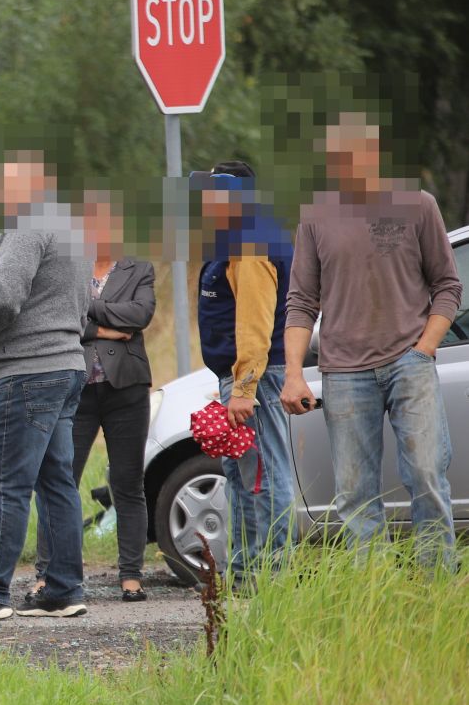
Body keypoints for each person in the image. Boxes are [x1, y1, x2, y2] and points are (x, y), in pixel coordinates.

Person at [280, 113, 462, 572]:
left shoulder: (418, 206)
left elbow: (447, 286)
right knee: (355, 492)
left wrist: (424, 348)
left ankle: (436, 584)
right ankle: (371, 590)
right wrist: (295, 373)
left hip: (409, 362)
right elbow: (301, 302)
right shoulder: (315, 217)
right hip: (343, 372)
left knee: (425, 475)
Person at [0, 151, 90, 621]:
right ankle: (64, 589)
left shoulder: (28, 225)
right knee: (57, 484)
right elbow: (86, 302)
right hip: (67, 366)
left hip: (26, 373)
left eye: (5, 184)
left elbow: (3, 298)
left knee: (8, 485)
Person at [34, 189, 155, 601]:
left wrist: (89, 309)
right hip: (76, 388)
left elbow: (141, 316)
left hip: (127, 389)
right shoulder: (68, 265)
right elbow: (57, 315)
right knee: (59, 479)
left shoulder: (140, 268)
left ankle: (132, 575)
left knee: (127, 482)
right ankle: (49, 573)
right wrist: (105, 328)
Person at [194, 161, 296, 586]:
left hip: (258, 377)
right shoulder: (237, 237)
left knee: (266, 476)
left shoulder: (252, 242)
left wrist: (243, 388)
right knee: (242, 477)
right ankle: (244, 574)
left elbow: (254, 323)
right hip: (244, 377)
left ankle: (271, 577)